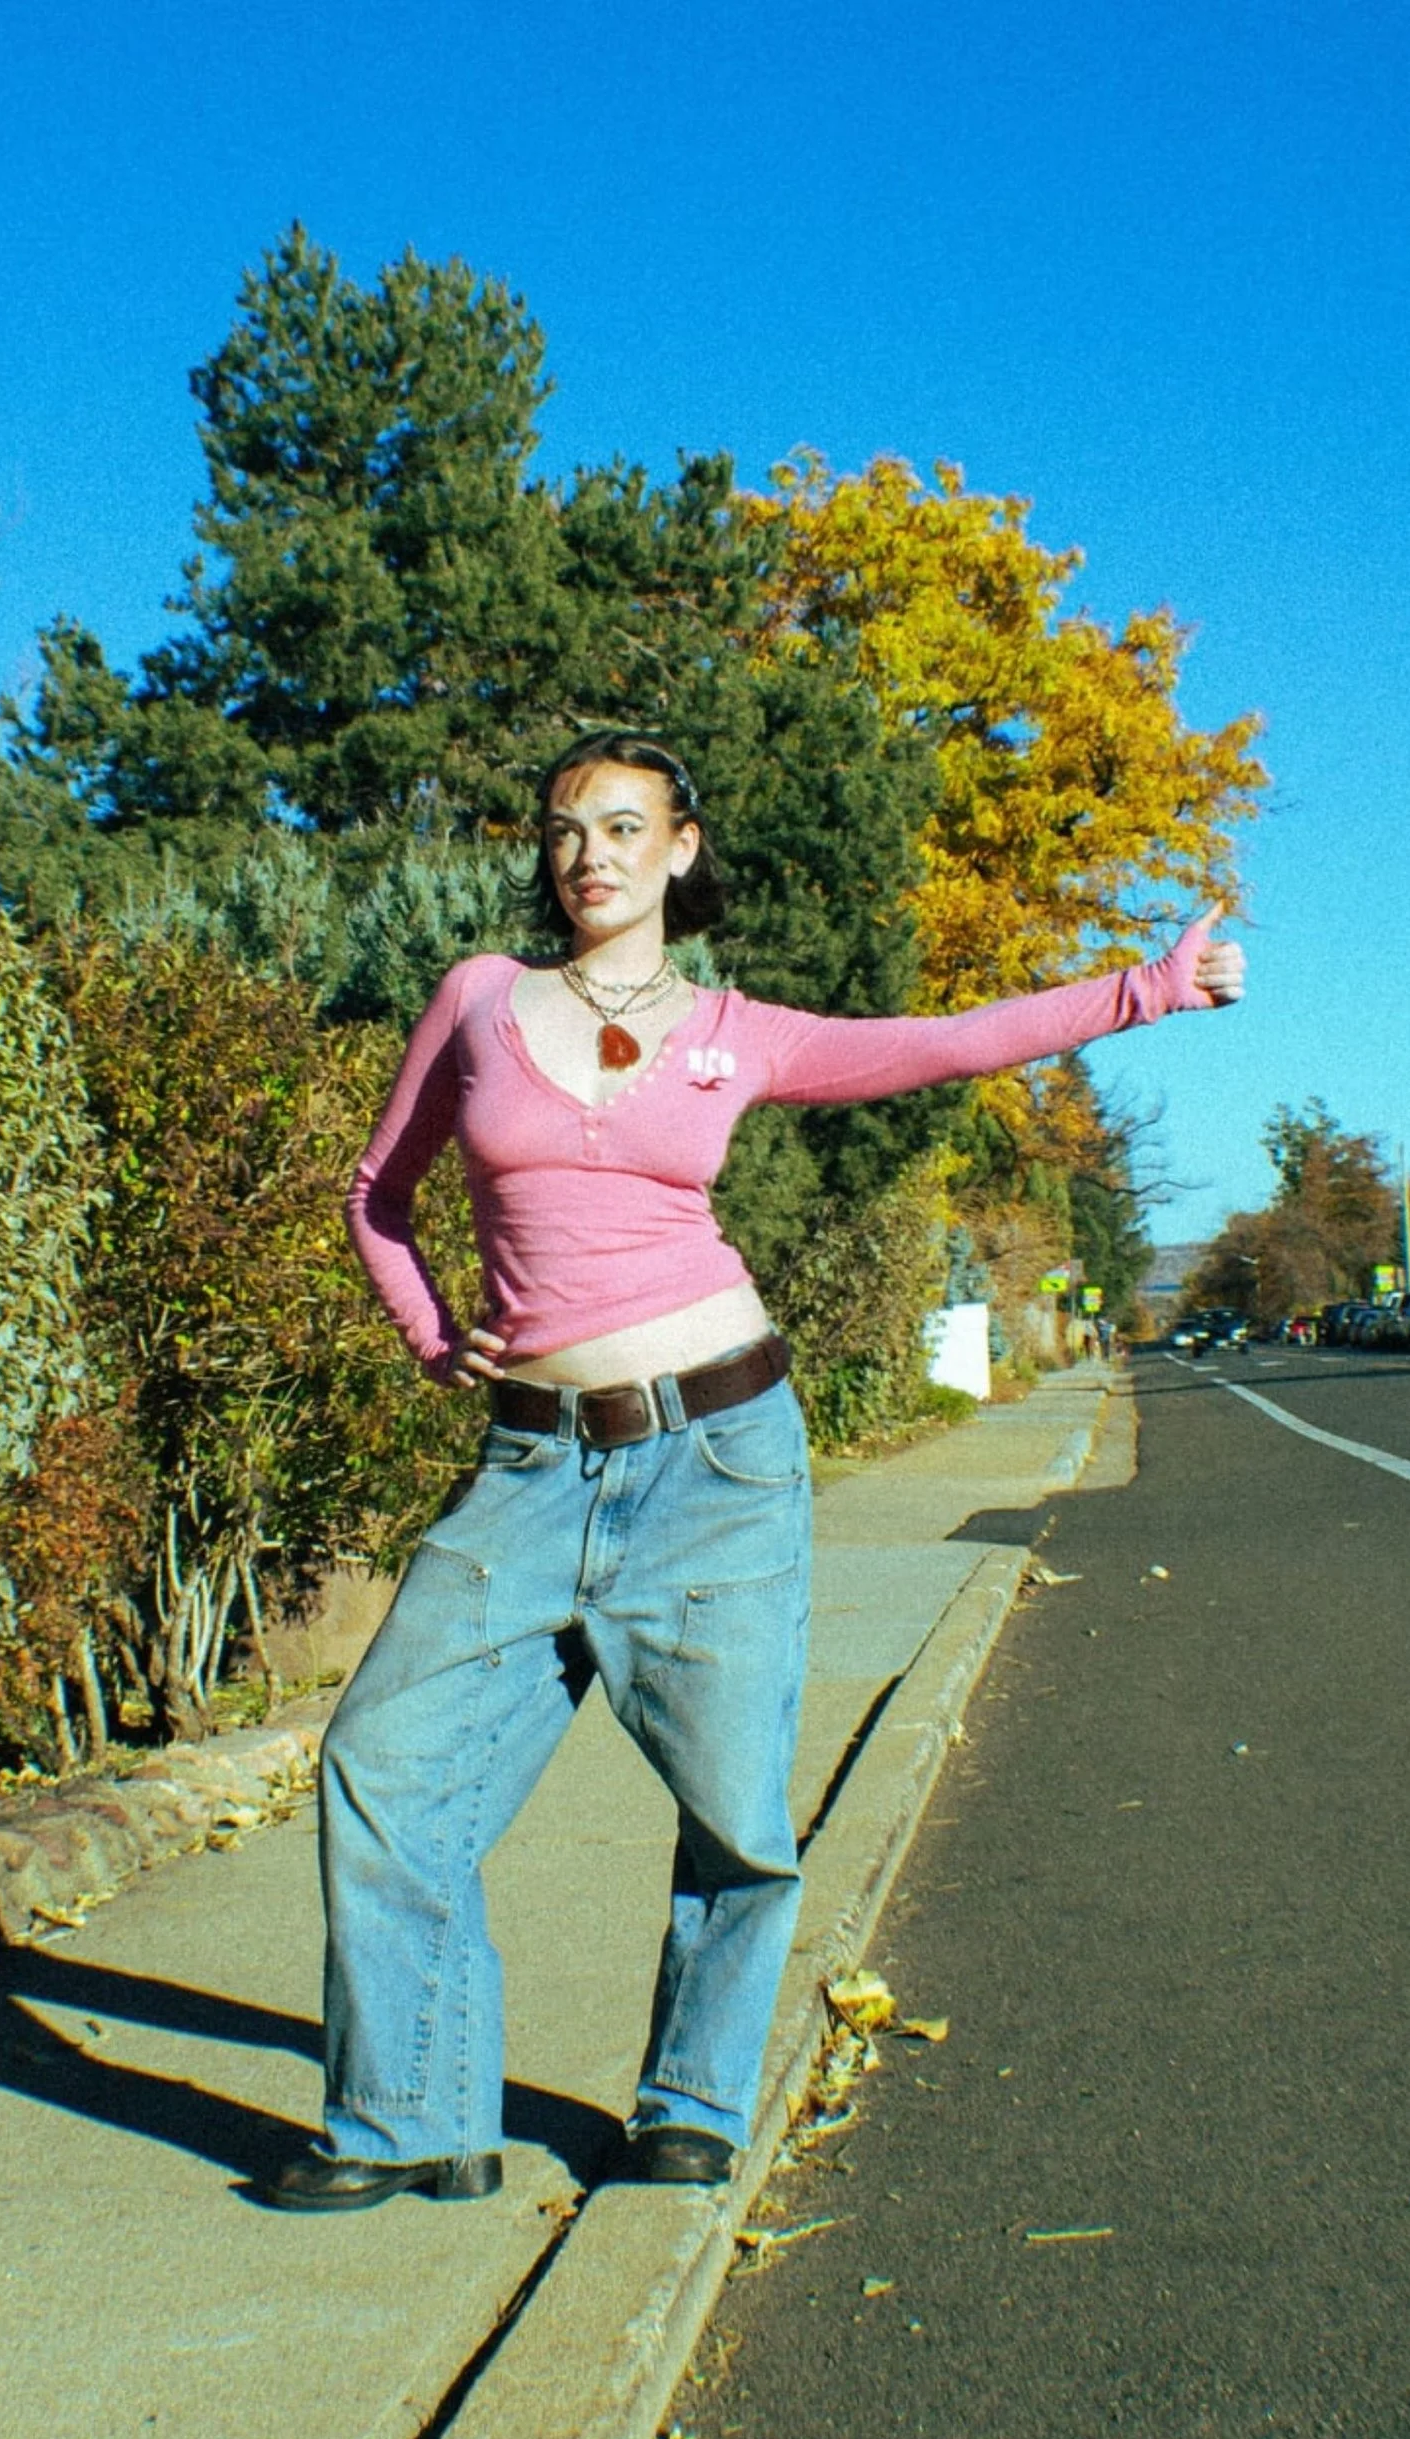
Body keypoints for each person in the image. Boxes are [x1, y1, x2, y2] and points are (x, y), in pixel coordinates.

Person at [265, 731, 1244, 2213]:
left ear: (677, 848)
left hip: (718, 1456)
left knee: (733, 1809)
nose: (587, 852)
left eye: (620, 826)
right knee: (386, 1768)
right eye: (563, 828)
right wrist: (427, 1334)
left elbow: (939, 1042)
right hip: (529, 1467)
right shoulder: (477, 998)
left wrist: (1146, 992)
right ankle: (409, 2119)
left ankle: (692, 2101)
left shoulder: (738, 1028)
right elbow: (378, 1193)